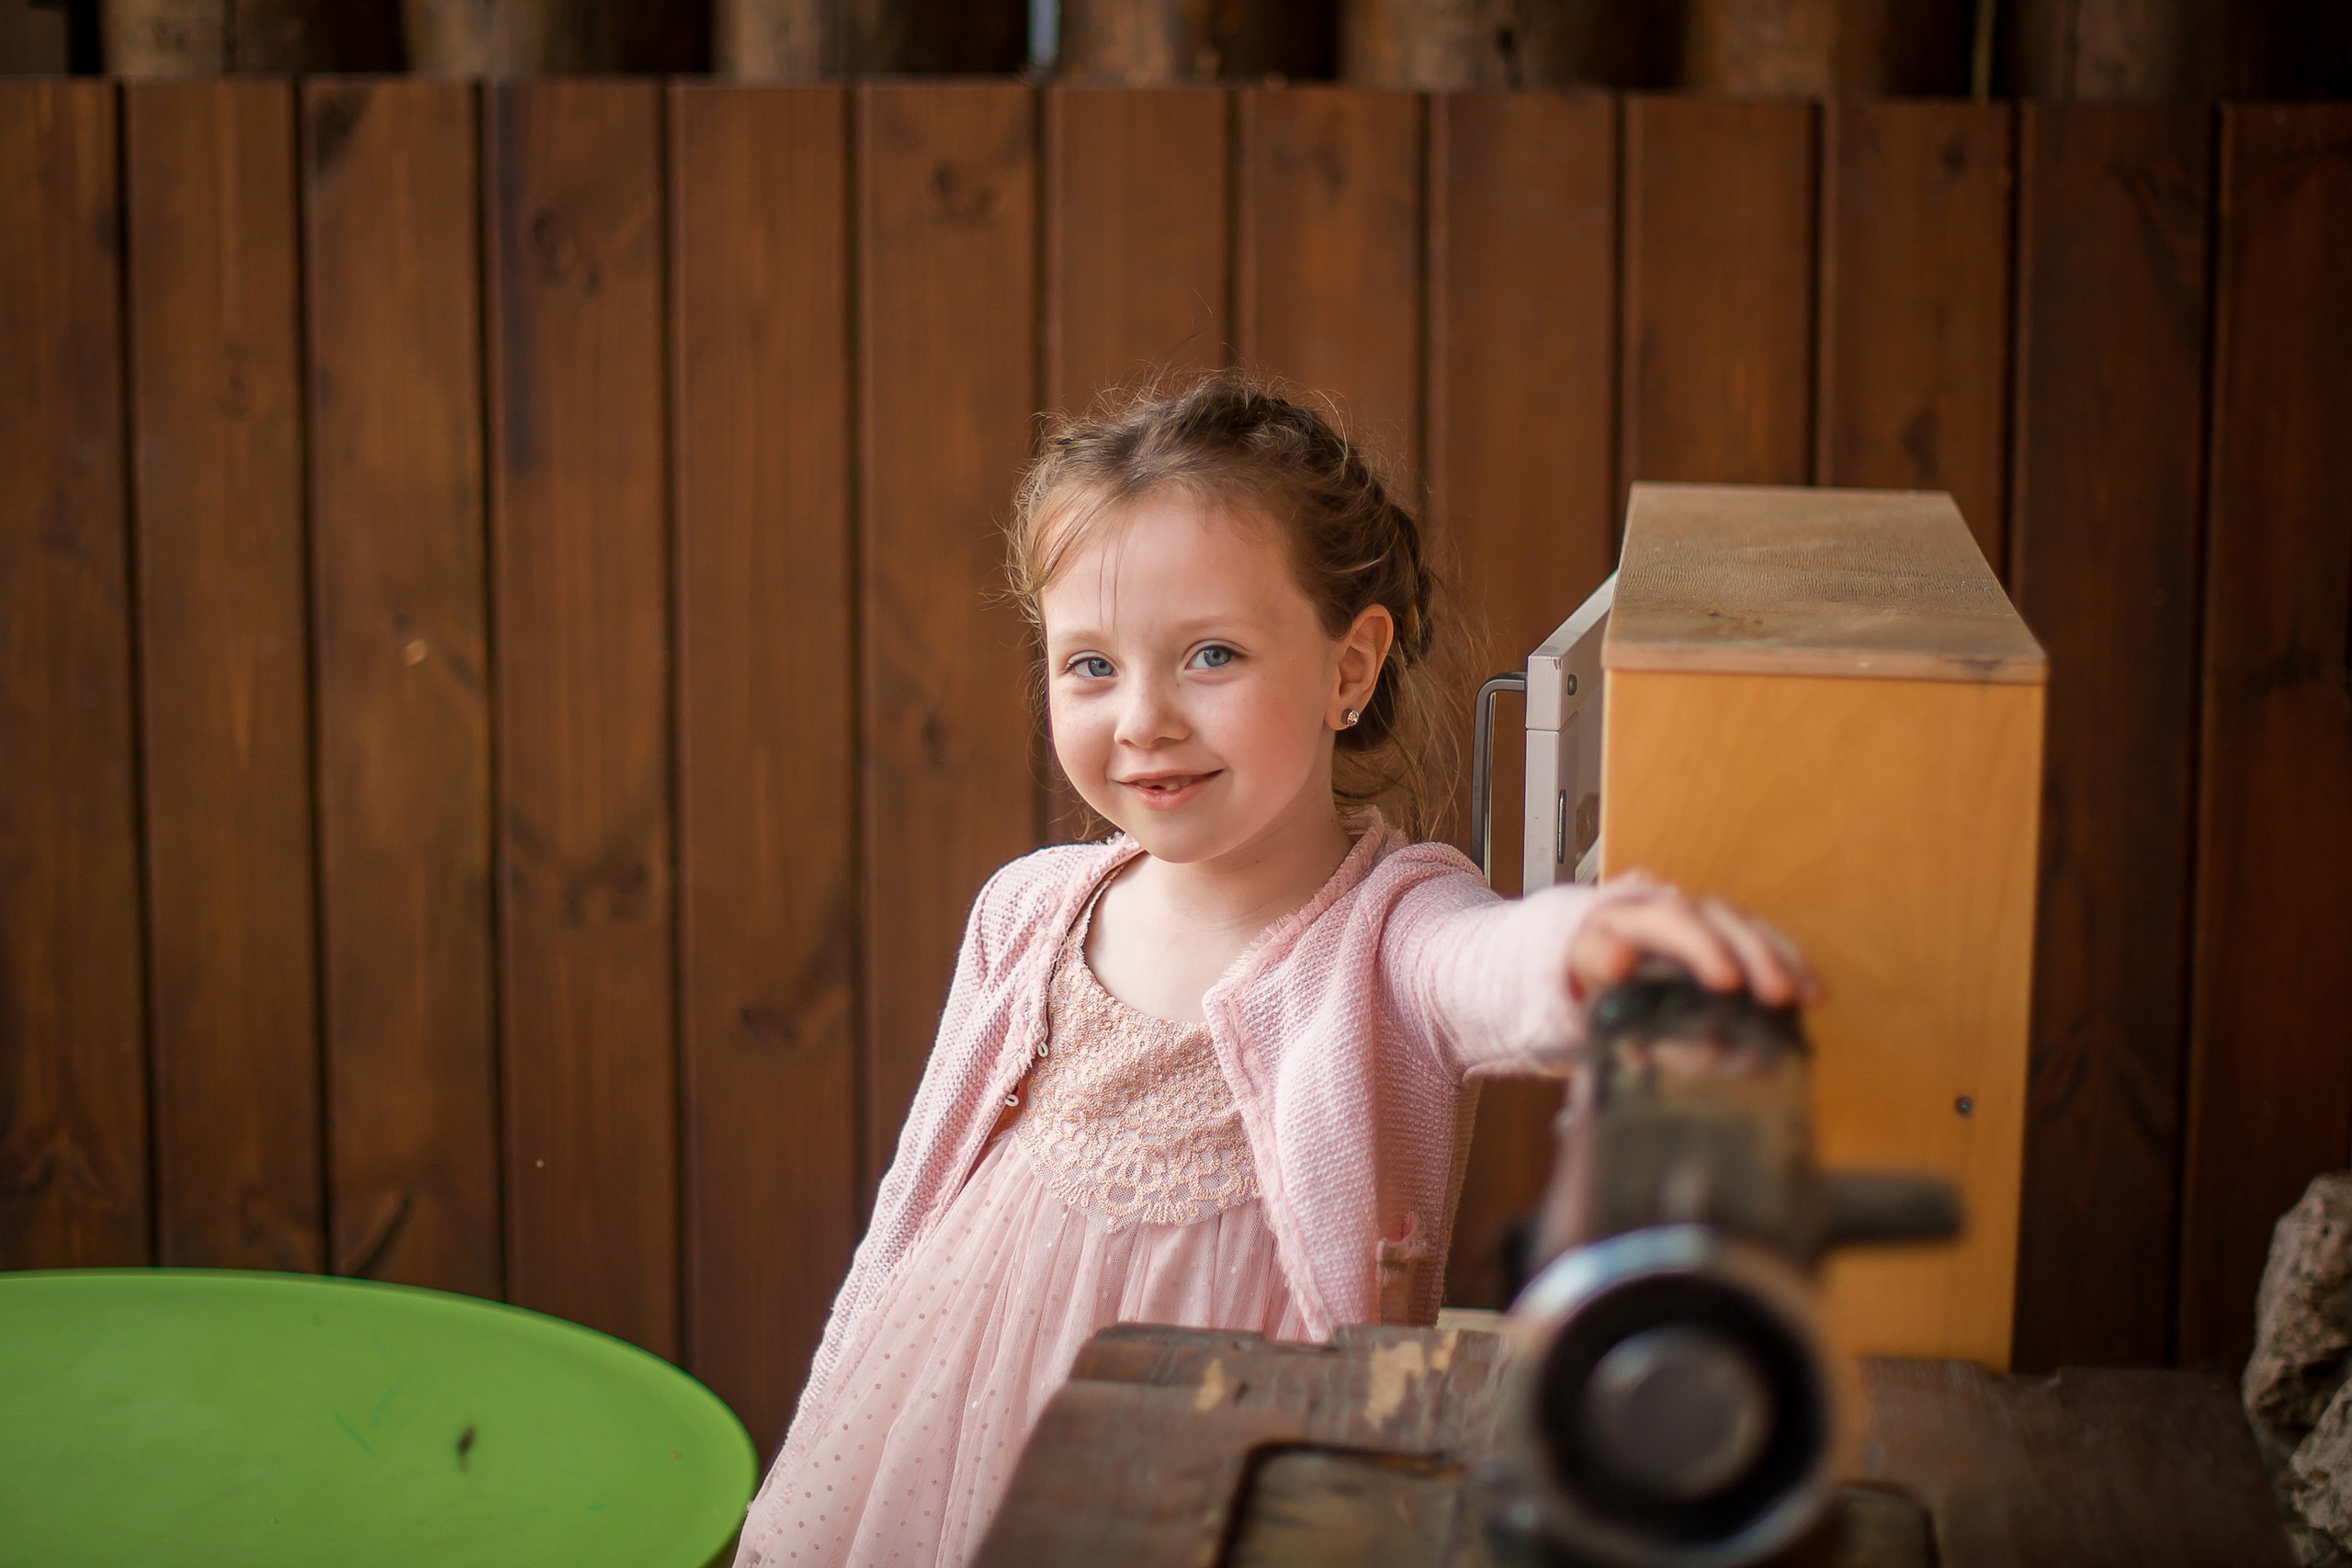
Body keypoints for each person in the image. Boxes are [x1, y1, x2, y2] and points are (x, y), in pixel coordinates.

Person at [732, 375, 1815, 1567]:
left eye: (1210, 654)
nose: (1142, 718)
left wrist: (1597, 944)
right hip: (974, 1412)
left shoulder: (1388, 932)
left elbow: (1492, 964)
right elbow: (919, 1199)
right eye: (1088, 665)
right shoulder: (1026, 910)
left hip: (1238, 1447)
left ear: (1350, 669)